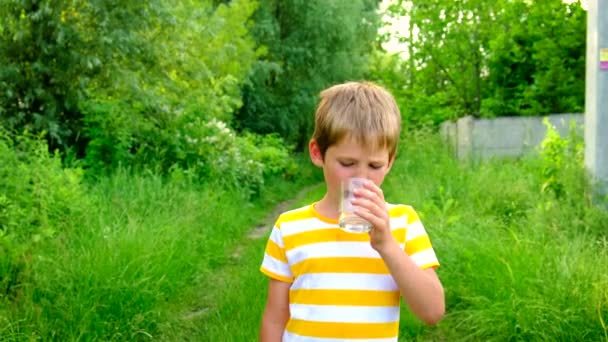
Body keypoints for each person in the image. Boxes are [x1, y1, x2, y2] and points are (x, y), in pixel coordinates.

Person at [259, 81, 445, 341]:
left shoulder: (403, 223)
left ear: (390, 162)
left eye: (375, 165)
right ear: (317, 153)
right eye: (347, 163)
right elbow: (275, 317)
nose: (362, 177)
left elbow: (433, 312)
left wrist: (387, 245)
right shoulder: (290, 227)